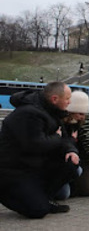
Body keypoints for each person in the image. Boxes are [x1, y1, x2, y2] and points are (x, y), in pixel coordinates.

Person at [0, 82, 79, 218]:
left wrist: (71, 151)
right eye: (67, 98)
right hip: (14, 169)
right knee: (38, 210)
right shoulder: (28, 113)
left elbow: (64, 138)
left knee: (71, 164)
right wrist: (56, 137)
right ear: (55, 99)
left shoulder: (53, 112)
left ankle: (45, 198)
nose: (69, 102)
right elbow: (35, 145)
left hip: (34, 165)